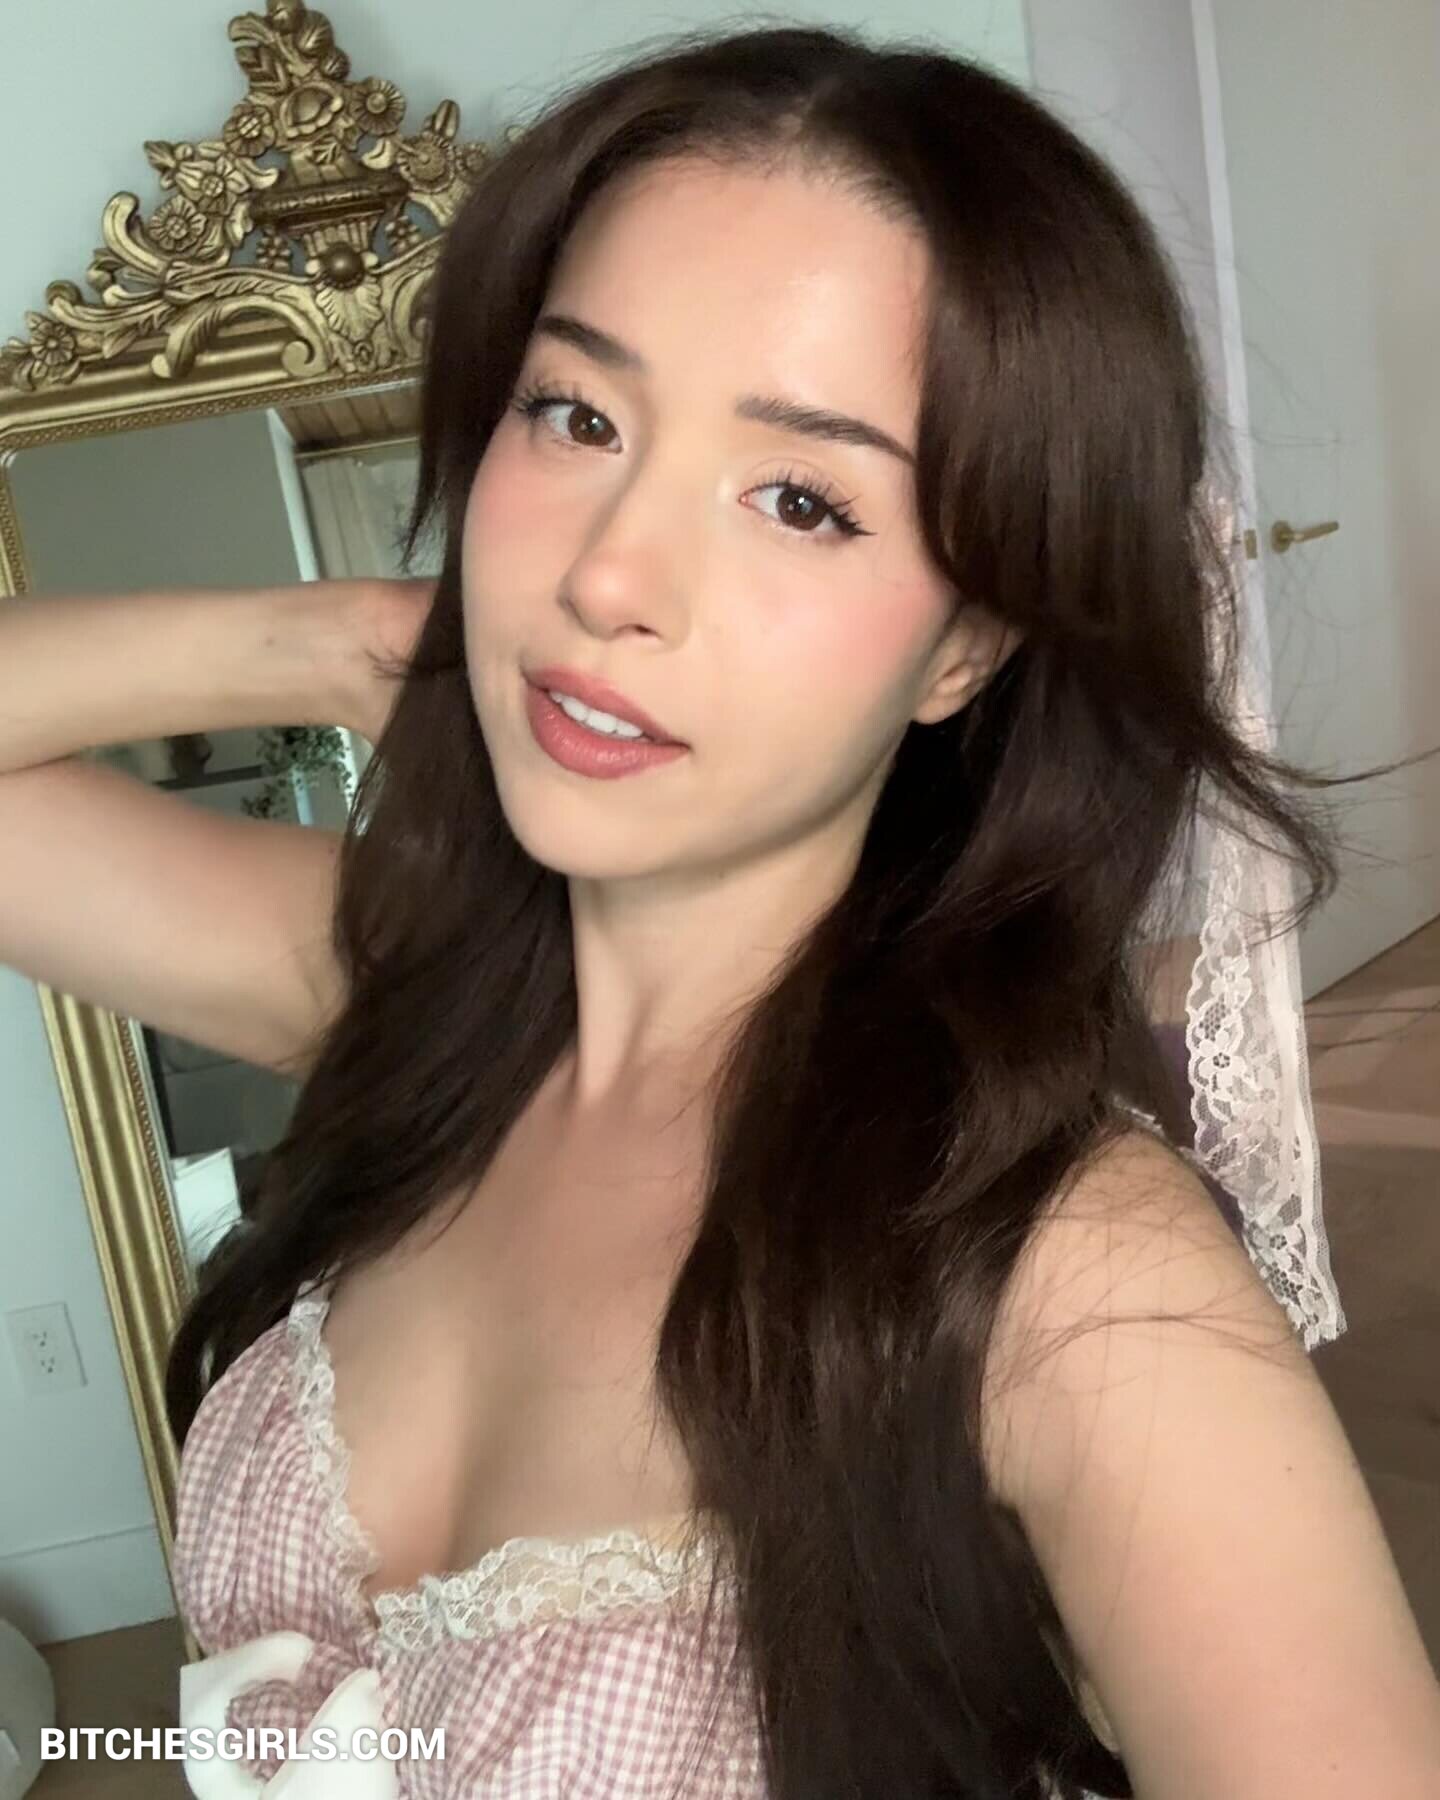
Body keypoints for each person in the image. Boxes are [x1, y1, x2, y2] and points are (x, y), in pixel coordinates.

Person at [3, 22, 1438, 1800]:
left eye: (802, 500)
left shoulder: (1072, 1270)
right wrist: (327, 636)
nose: (609, 571)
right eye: (576, 414)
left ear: (970, 643)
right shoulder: (400, 988)